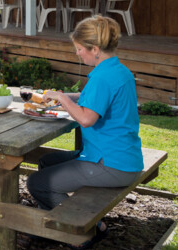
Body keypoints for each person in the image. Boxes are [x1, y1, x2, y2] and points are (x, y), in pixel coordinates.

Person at [27, 15, 143, 249]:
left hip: (111, 164)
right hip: (122, 156)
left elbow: (86, 118)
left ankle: (86, 231)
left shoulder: (102, 77)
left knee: (37, 183)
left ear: (96, 49)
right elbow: (93, 101)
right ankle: (52, 223)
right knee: (47, 161)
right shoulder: (118, 70)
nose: (78, 54)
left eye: (80, 49)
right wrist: (69, 97)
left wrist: (61, 98)